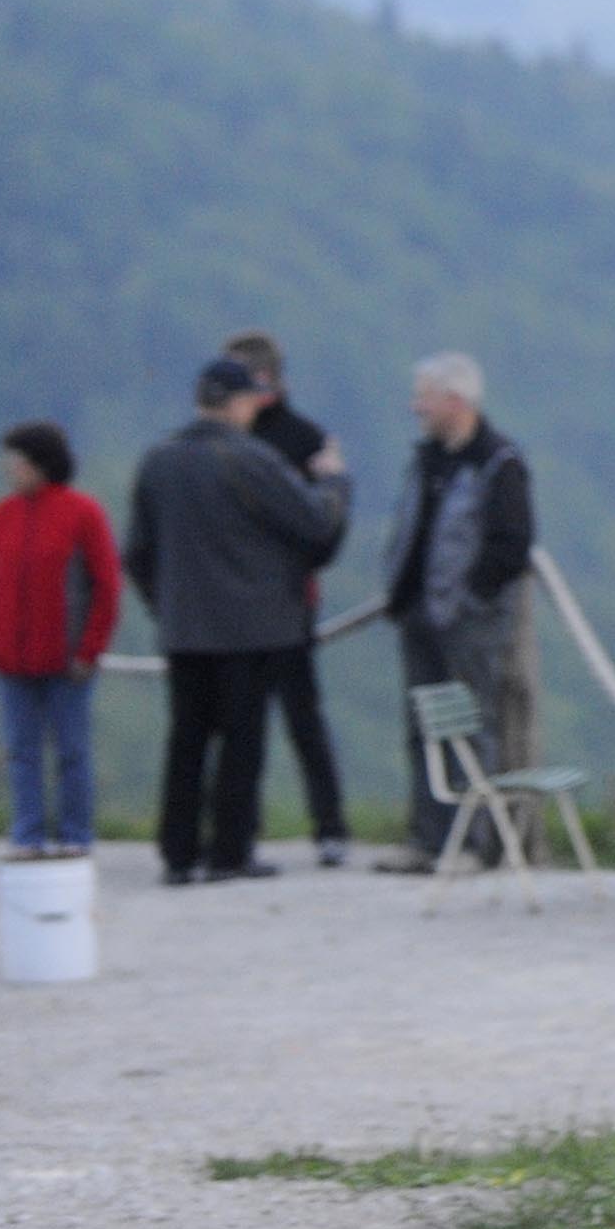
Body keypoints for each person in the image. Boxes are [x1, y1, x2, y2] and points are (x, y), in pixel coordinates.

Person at [123, 357, 352, 884]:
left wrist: (165, 604)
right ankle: (230, 850)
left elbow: (137, 552)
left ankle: (178, 853)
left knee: (186, 740)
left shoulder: (158, 461)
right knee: (241, 742)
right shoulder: (250, 459)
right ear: (237, 404)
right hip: (253, 630)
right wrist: (336, 481)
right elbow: (314, 521)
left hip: (184, 630)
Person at [377, 352, 539, 874]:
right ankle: (428, 838)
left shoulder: (498, 461)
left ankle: (473, 843)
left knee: (471, 728)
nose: (416, 407)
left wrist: (470, 598)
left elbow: (512, 543)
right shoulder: (427, 460)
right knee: (423, 728)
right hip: (419, 616)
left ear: (455, 400)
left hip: (470, 622)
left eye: (424, 397)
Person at [221, 330, 355, 867]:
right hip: (235, 601)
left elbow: (326, 528)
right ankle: (241, 829)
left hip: (288, 600)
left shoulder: (304, 439)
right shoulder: (226, 438)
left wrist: (300, 567)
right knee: (240, 721)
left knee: (304, 717)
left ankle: (330, 826)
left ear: (263, 380)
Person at [0, 423, 119, 859]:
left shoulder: (83, 514)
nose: (9, 469)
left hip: (67, 660)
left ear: (40, 465)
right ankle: (28, 834)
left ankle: (75, 835)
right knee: (21, 751)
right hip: (11, 659)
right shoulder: (3, 514)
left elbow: (106, 586)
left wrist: (90, 648)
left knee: (71, 751)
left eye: (16, 461)